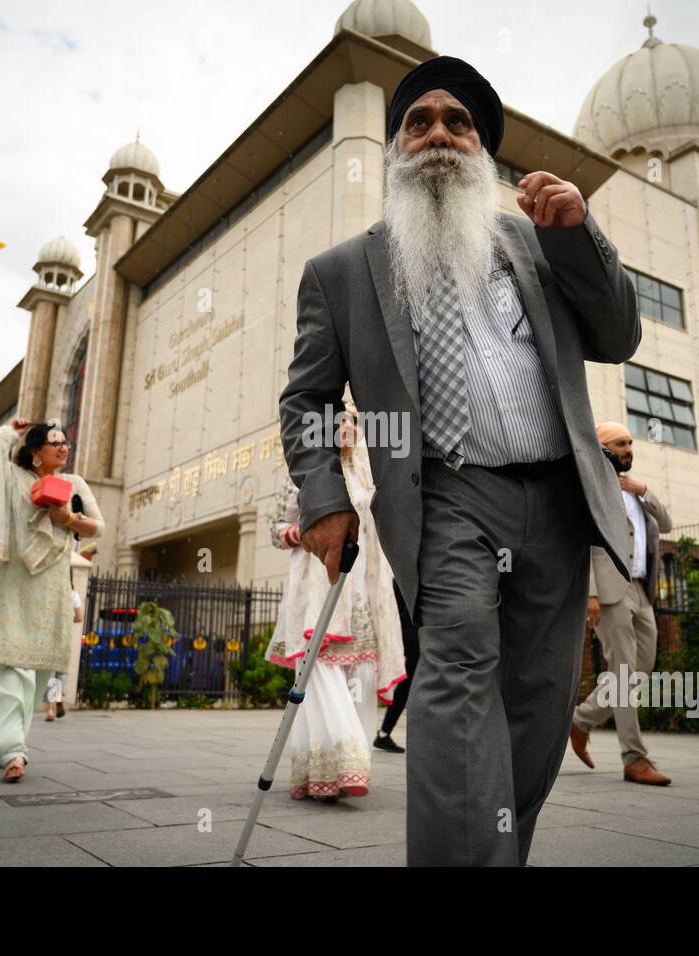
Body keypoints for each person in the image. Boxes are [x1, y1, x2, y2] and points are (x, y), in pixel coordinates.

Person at [278, 56, 640, 864]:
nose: (438, 133)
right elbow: (305, 401)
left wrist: (581, 233)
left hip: (557, 499)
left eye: (458, 122)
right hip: (445, 498)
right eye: (419, 121)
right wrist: (323, 495)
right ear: (397, 148)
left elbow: (618, 336)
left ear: (483, 151)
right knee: (457, 672)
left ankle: (495, 851)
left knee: (541, 702)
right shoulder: (341, 273)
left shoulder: (543, 242)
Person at [267, 406, 405, 800]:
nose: (345, 427)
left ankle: (344, 769)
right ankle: (339, 764)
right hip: (318, 589)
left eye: (353, 422)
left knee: (360, 674)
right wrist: (306, 533)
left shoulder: (369, 476)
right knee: (319, 670)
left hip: (362, 592)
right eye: (338, 423)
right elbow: (276, 530)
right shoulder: (307, 478)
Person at [0, 417, 103, 781]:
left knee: (35, 676)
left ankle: (10, 742)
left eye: (65, 442)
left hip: (52, 583)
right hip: (16, 580)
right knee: (11, 666)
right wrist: (8, 431)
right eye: (54, 442)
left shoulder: (74, 484)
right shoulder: (13, 477)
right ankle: (13, 752)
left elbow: (96, 526)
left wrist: (66, 516)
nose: (63, 447)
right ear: (35, 450)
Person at [569, 422, 674, 785]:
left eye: (630, 442)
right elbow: (584, 542)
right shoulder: (591, 486)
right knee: (625, 674)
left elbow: (668, 523)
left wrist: (643, 490)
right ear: (603, 448)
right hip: (610, 591)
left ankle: (581, 719)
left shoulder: (636, 491)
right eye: (620, 443)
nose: (628, 448)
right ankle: (634, 758)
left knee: (642, 666)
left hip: (641, 590)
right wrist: (592, 593)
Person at [373, 584, 419, 753]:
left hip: (409, 635)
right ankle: (384, 734)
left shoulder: (397, 580)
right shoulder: (401, 581)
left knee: (406, 685)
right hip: (414, 636)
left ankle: (385, 734)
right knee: (407, 685)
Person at [44, 589, 83, 722]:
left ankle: (50, 710)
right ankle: (58, 697)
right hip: (64, 637)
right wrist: (67, 621)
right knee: (61, 672)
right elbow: (79, 617)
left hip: (50, 636)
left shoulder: (52, 590)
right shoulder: (73, 595)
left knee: (50, 673)